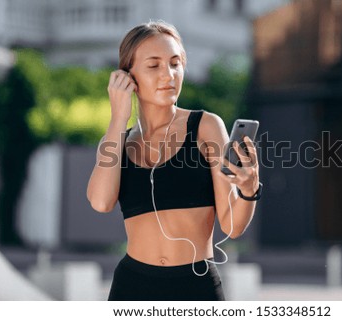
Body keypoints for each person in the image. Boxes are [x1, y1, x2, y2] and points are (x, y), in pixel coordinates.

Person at [86, 20, 262, 301]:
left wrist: (250, 189)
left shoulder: (205, 126)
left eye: (175, 63)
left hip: (196, 286)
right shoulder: (117, 140)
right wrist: (119, 117)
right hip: (132, 286)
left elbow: (232, 226)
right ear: (127, 76)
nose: (168, 74)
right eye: (153, 65)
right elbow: (100, 202)